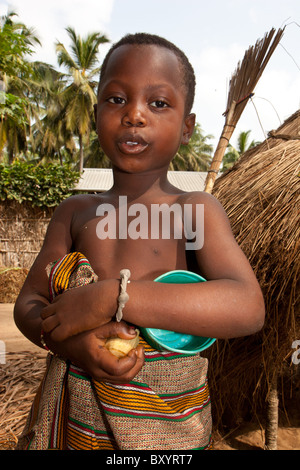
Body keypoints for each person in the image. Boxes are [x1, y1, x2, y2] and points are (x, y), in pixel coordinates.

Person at [14, 33, 265, 450]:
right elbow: (29, 305)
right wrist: (74, 345)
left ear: (188, 127)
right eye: (116, 99)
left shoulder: (194, 210)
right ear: (96, 115)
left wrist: (114, 296)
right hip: (81, 426)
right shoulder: (74, 212)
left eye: (158, 103)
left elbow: (246, 306)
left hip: (168, 427)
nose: (134, 114)